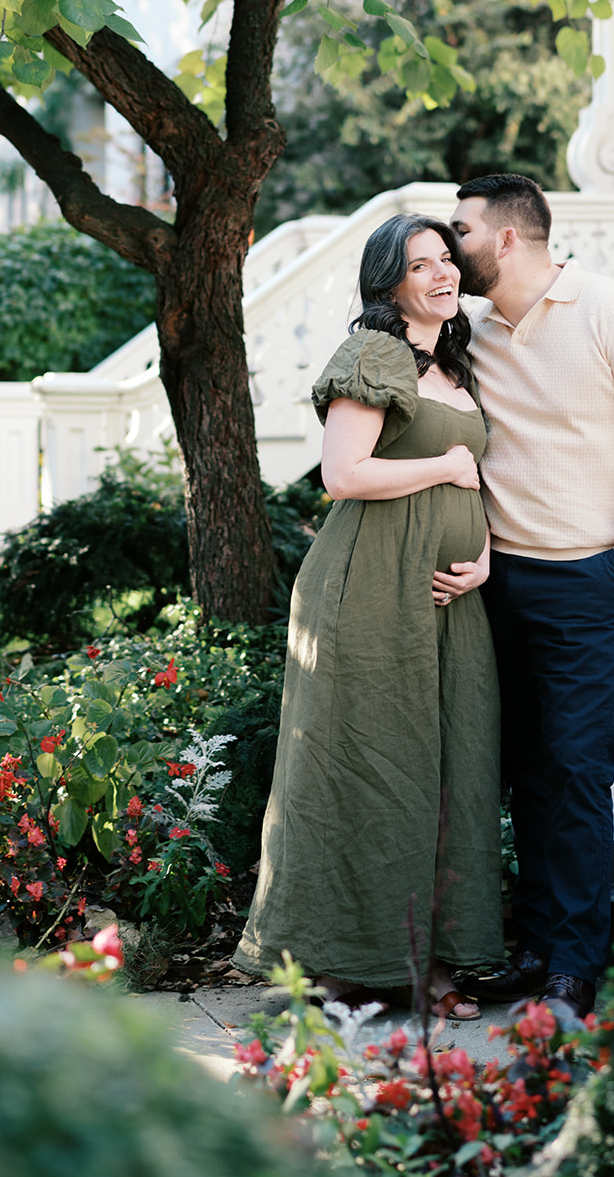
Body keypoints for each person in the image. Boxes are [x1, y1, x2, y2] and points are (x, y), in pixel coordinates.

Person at [438, 174, 614, 1030]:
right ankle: (538, 945)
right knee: (523, 775)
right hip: (495, 584)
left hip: (586, 583)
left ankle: (577, 968)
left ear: (506, 238)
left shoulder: (609, 310)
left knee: (578, 776)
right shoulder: (468, 331)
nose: (450, 242)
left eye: (462, 229)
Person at [234, 214, 504, 1019]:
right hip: (369, 590)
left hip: (451, 597)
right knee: (370, 768)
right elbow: (343, 474)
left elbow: (470, 481)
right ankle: (358, 962)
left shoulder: (458, 365)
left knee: (454, 766)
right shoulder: (375, 355)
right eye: (419, 266)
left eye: (445, 261)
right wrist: (449, 464)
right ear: (388, 284)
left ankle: (438, 959)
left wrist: (483, 551)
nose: (441, 275)